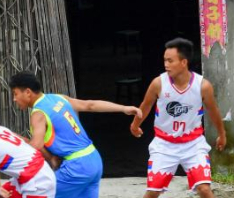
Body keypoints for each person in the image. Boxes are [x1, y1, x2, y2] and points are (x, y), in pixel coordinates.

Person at [8, 72, 142, 198]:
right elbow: (90, 105)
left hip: (76, 168)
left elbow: (36, 145)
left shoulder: (38, 113)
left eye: (15, 94)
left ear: (28, 92)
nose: (14, 99)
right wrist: (123, 108)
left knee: (33, 194)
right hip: (94, 160)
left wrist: (10, 147)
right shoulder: (58, 98)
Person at [130, 38, 226, 198]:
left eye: (170, 60)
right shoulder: (158, 83)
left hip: (193, 144)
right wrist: (135, 124)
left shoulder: (203, 86)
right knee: (153, 191)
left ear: (183, 62)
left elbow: (213, 111)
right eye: (164, 60)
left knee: (204, 189)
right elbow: (145, 105)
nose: (166, 64)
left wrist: (222, 134)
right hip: (164, 144)